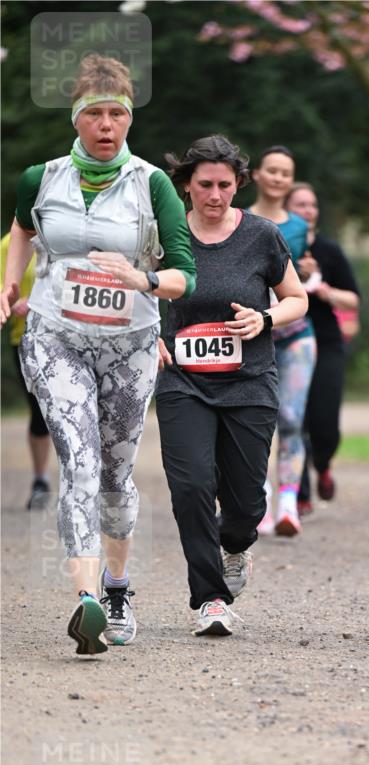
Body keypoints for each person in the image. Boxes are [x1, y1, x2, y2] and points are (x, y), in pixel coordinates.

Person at [0, 54, 195, 655]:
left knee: (114, 475)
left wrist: (144, 280)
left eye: (117, 114)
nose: (106, 125)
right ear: (76, 118)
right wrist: (10, 282)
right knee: (79, 463)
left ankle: (116, 589)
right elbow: (22, 228)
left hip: (130, 345)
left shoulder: (152, 184)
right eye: (95, 114)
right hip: (56, 335)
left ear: (130, 119)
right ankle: (86, 599)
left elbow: (184, 274)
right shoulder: (41, 178)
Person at [155, 136, 308, 636]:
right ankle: (210, 598)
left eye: (225, 184)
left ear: (239, 184)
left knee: (245, 504)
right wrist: (148, 337)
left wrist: (265, 318)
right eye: (205, 185)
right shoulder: (164, 235)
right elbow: (139, 293)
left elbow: (297, 298)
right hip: (184, 382)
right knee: (192, 486)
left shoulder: (262, 235)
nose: (215, 195)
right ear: (186, 185)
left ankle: (236, 545)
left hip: (249, 383)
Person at [249, 147, 317, 536]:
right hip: (251, 336)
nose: (277, 178)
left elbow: (296, 280)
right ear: (256, 174)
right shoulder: (238, 220)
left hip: (294, 336)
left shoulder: (299, 227)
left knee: (291, 418)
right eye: (271, 170)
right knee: (254, 422)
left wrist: (306, 271)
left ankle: (288, 503)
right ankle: (259, 498)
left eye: (285, 173)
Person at [284, 182, 361, 512]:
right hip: (287, 340)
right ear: (286, 210)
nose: (308, 210)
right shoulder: (277, 244)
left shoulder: (329, 250)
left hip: (326, 341)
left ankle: (323, 463)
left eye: (312, 205)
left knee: (325, 422)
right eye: (300, 204)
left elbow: (353, 299)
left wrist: (324, 289)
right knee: (294, 418)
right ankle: (299, 494)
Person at [1, 232, 52, 508]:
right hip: (25, 339)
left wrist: (38, 302)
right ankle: (41, 480)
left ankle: (86, 480)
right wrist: (11, 303)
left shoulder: (62, 234)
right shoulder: (9, 245)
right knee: (39, 412)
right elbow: (3, 293)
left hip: (65, 337)